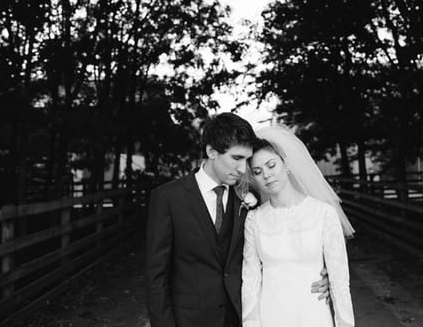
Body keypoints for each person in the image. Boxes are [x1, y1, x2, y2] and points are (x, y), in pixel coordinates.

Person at [145, 113, 329, 327]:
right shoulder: (168, 198)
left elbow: (278, 244)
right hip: (189, 319)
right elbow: (156, 276)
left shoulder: (252, 195)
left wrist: (319, 274)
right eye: (236, 158)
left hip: (241, 317)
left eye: (247, 160)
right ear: (211, 151)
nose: (243, 169)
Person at [241, 125, 355, 327]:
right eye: (258, 171)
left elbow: (340, 282)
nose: (266, 175)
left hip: (313, 315)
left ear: (286, 164)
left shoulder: (324, 214)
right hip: (270, 315)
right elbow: (250, 280)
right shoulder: (254, 220)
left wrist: (345, 324)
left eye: (271, 165)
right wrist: (251, 323)